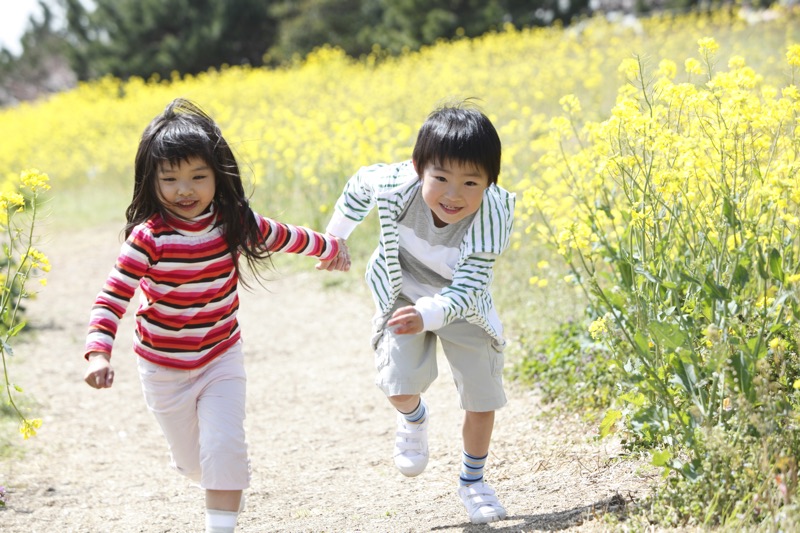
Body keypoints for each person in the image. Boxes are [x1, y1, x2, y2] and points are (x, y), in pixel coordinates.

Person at [83, 98, 350, 533]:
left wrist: (332, 247)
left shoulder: (233, 222)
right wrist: (98, 353)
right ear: (151, 181)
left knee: (224, 446)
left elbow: (285, 235)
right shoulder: (148, 239)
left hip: (220, 357)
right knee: (195, 462)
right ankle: (213, 473)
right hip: (163, 367)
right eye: (170, 179)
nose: (184, 190)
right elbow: (112, 298)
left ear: (218, 175)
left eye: (198, 176)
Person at [317, 100, 515, 524]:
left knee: (482, 398)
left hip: (462, 307)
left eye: (470, 183)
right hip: (401, 295)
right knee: (396, 383)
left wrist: (429, 315)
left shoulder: (494, 214)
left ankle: (473, 482)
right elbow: (359, 185)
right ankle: (414, 417)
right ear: (418, 169)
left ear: (490, 184)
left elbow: (470, 286)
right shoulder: (396, 184)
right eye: (440, 178)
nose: (453, 195)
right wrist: (335, 238)